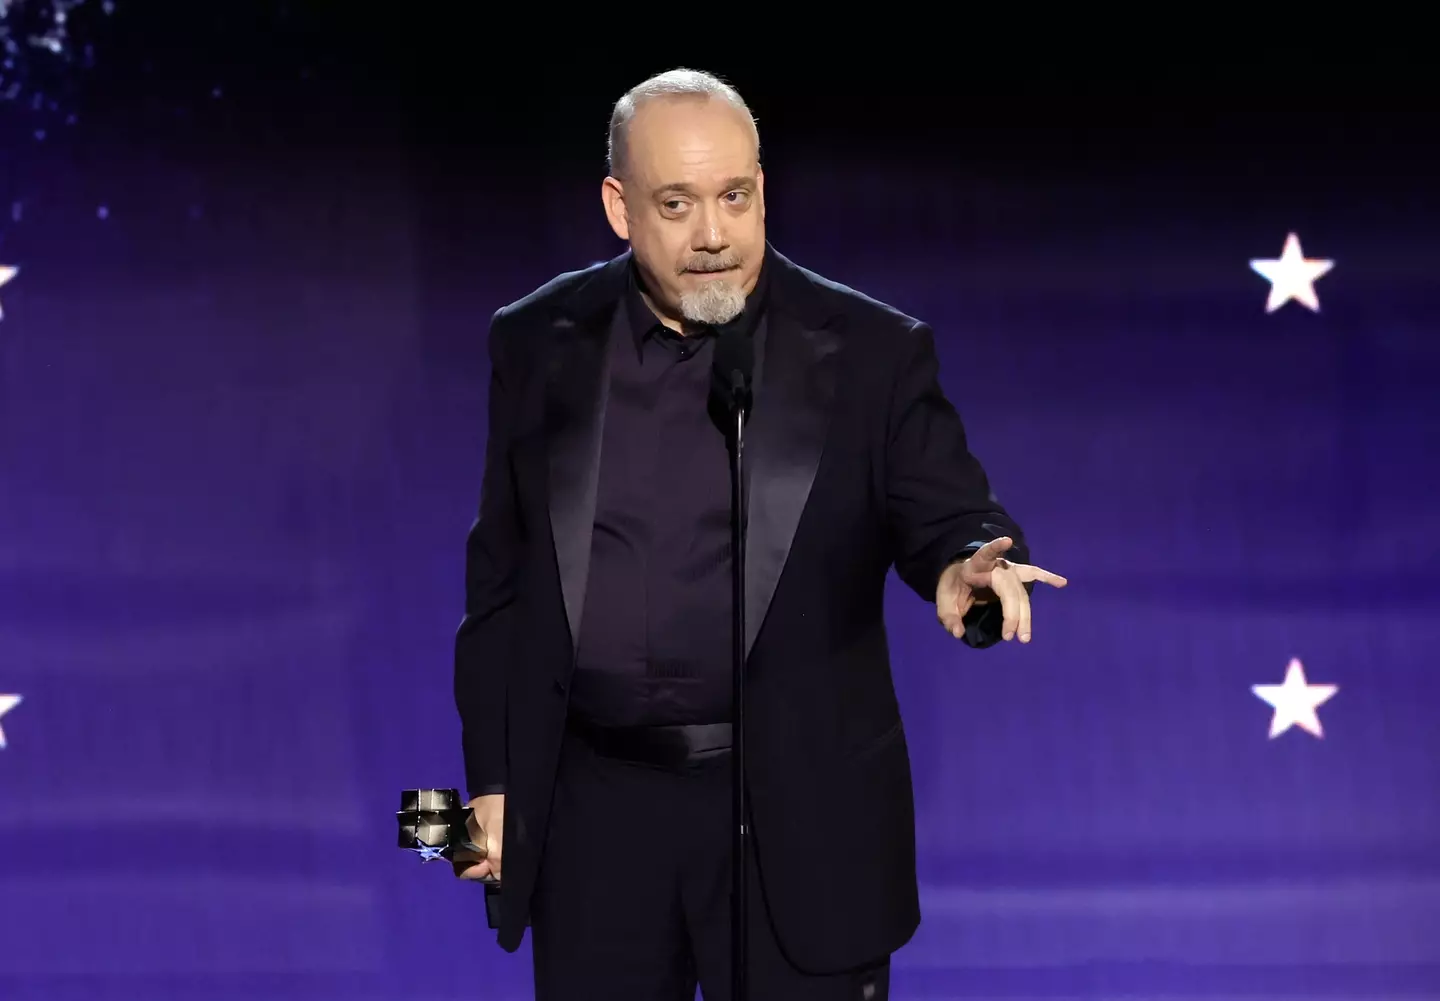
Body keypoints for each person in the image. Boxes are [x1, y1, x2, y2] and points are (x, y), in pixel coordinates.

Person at [451, 68, 1067, 1001]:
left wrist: (966, 567)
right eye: (677, 203)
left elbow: (947, 513)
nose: (714, 235)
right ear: (620, 208)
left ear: (762, 190)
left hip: (797, 815)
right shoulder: (536, 341)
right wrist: (488, 782)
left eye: (736, 197)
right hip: (595, 817)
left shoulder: (870, 349)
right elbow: (498, 584)